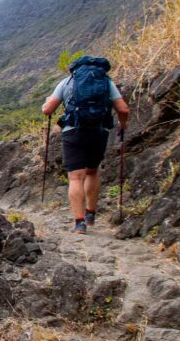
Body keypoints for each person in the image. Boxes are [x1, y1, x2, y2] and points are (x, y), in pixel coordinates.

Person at [42, 57, 129, 234]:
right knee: (92, 171)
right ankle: (90, 213)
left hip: (73, 132)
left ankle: (79, 223)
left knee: (75, 177)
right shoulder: (106, 82)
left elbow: (47, 110)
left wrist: (46, 102)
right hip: (99, 131)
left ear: (73, 70)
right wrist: (122, 125)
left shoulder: (67, 82)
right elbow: (123, 109)